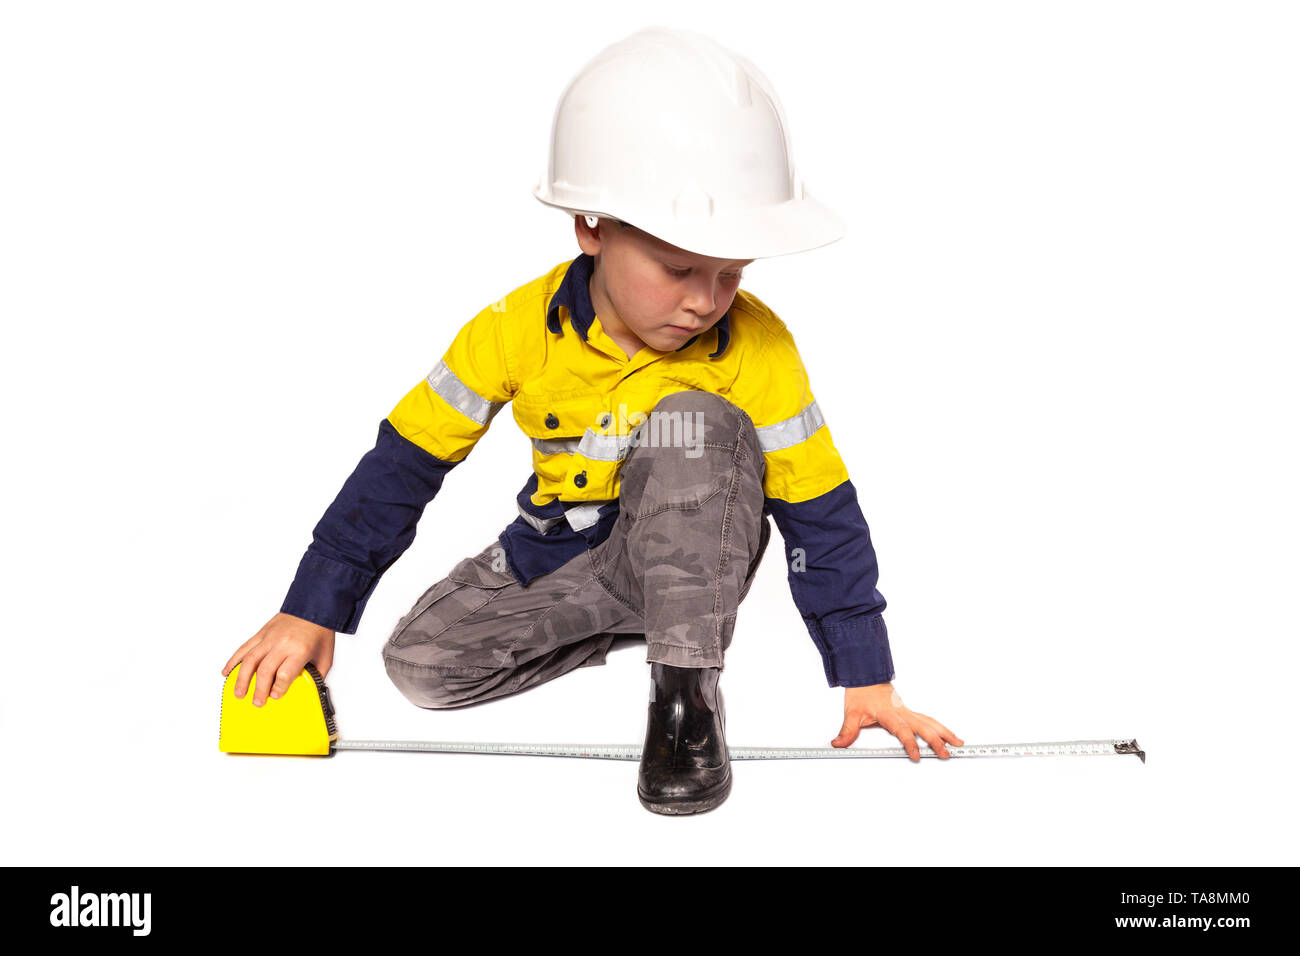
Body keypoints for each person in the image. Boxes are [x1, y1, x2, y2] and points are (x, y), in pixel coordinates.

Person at [221, 26, 961, 814]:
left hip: (699, 532)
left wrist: (865, 674)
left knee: (690, 425)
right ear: (591, 226)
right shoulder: (513, 328)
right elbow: (402, 468)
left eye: (731, 274)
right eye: (679, 268)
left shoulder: (758, 346)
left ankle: (684, 694)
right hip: (570, 560)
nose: (707, 300)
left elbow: (822, 512)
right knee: (423, 667)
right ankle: (660, 619)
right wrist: (312, 608)